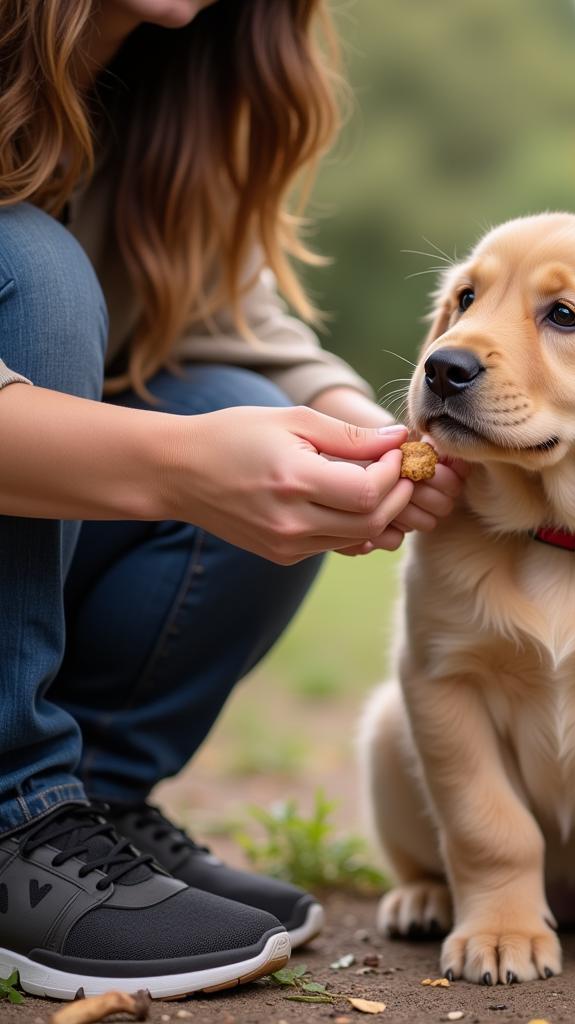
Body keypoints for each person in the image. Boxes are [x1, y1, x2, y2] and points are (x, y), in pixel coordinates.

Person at [0, 0, 464, 1000]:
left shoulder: (166, 72)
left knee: (249, 403)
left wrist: (367, 434)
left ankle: (86, 804)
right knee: (28, 267)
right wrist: (177, 465)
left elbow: (218, 304)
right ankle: (9, 810)